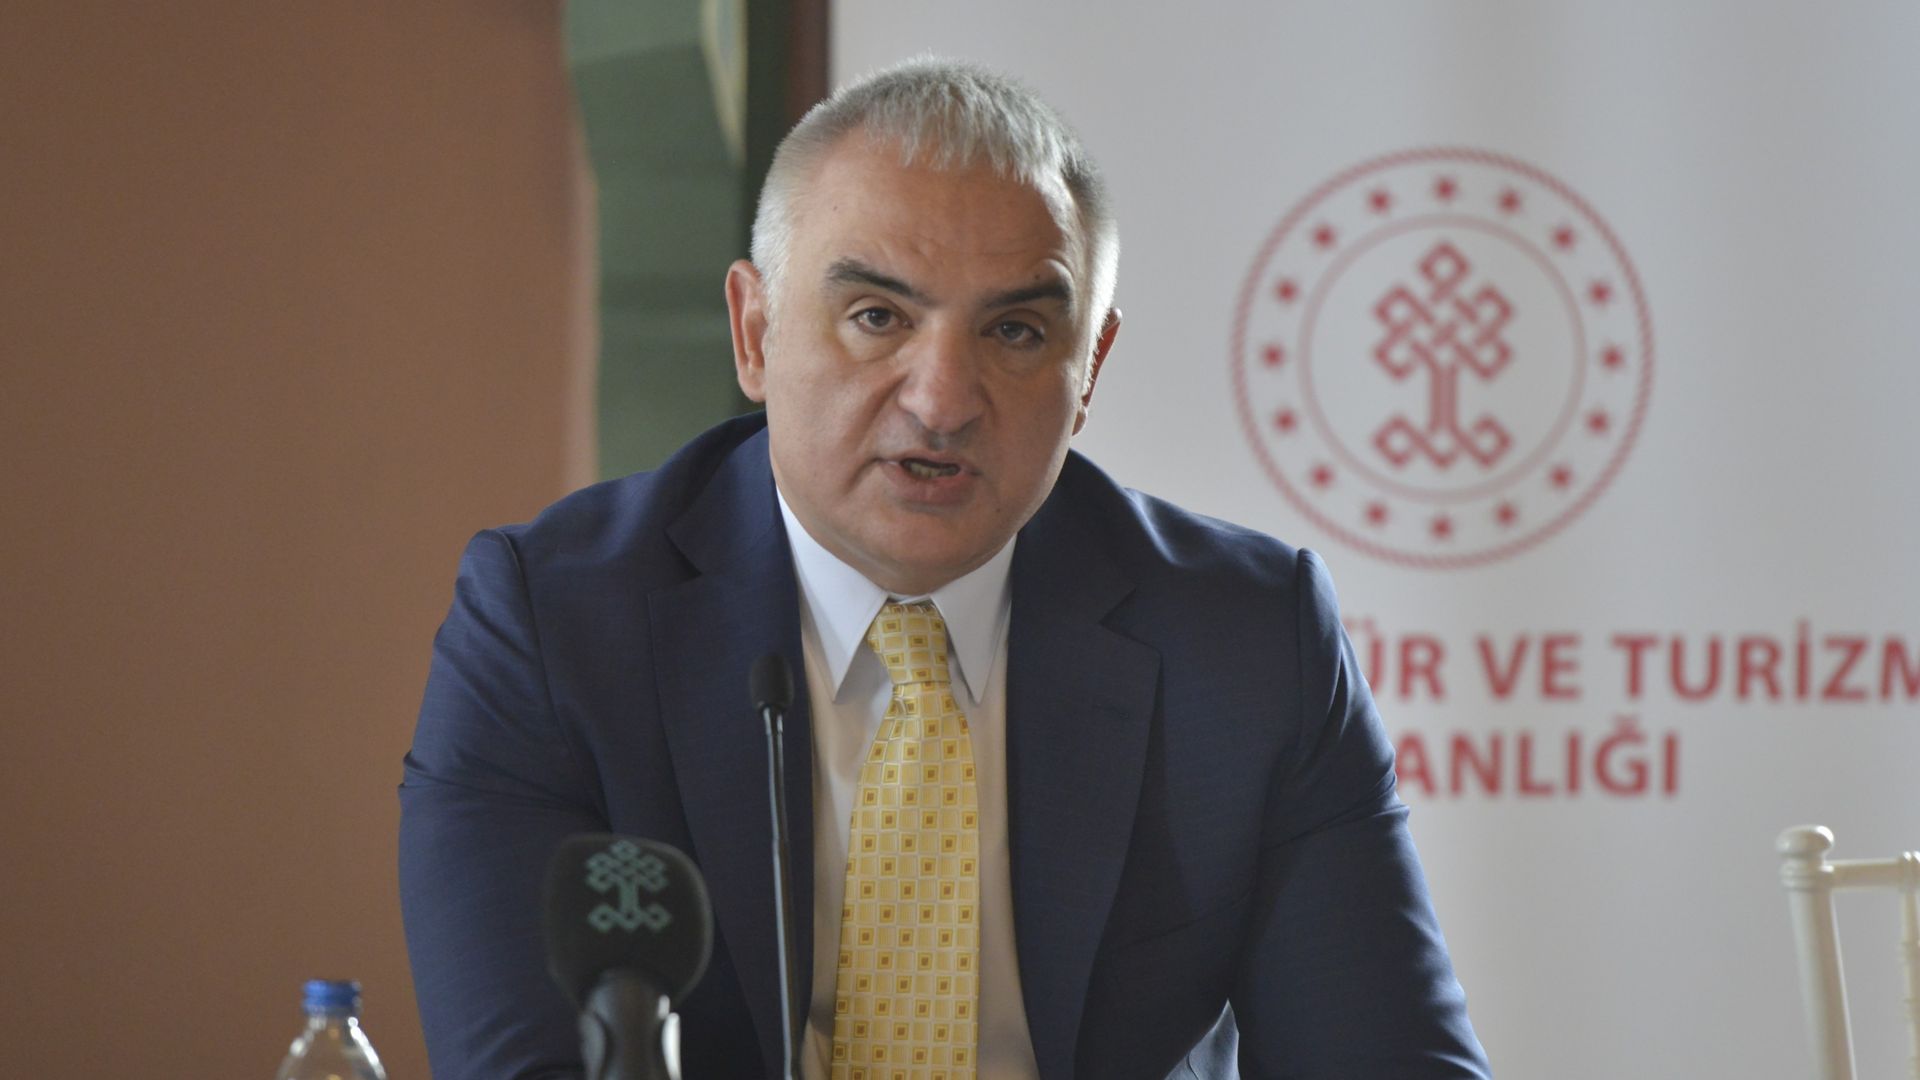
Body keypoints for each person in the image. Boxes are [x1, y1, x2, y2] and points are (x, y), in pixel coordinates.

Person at [399, 57, 1491, 1080]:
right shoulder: (553, 625)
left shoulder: (1245, 641)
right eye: (877, 317)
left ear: (1090, 369)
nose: (942, 400)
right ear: (755, 331)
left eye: (1015, 334)